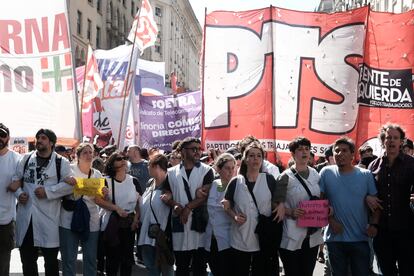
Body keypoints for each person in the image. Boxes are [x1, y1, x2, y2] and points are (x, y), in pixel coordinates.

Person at [14, 129, 74, 276]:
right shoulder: (26, 158)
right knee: (27, 260)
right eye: (37, 138)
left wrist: (48, 192)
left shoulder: (61, 162)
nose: (39, 140)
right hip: (27, 217)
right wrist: (19, 194)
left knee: (51, 262)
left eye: (43, 138)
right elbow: (15, 180)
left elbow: (70, 185)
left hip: (48, 218)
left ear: (51, 142)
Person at [222, 141, 286, 276]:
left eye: (259, 156)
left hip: (263, 238)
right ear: (245, 159)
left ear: (262, 160)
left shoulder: (269, 180)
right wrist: (233, 215)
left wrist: (281, 205)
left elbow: (277, 200)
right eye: (251, 155)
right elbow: (226, 203)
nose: (255, 158)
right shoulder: (236, 181)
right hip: (240, 237)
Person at [319, 137, 377, 276]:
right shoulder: (326, 173)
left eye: (344, 150)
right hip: (334, 240)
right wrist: (331, 221)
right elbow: (319, 202)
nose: (340, 154)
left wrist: (374, 225)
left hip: (360, 239)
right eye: (336, 151)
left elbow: (377, 204)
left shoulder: (366, 175)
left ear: (353, 154)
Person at [162, 137, 215, 276]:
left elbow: (205, 195)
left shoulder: (207, 171)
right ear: (182, 152)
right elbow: (166, 194)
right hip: (180, 222)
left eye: (199, 149)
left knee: (200, 266)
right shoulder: (172, 172)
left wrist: (188, 208)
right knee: (181, 266)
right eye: (194, 149)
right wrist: (173, 204)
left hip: (199, 222)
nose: (197, 152)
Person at [367, 123, 414, 276]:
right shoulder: (373, 166)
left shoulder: (411, 164)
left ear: (401, 142)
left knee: (407, 270)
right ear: (383, 141)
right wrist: (367, 197)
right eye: (388, 138)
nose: (392, 141)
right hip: (382, 230)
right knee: (387, 271)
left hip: (406, 228)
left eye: (395, 138)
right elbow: (368, 192)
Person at [278, 137, 323, 276]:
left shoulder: (315, 174)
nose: (304, 152)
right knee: (293, 272)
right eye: (299, 149)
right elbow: (275, 204)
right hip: (292, 234)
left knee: (307, 272)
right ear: (292, 153)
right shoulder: (285, 176)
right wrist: (290, 211)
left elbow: (321, 197)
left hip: (312, 234)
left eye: (307, 149)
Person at [59, 143, 104, 276]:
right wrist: (66, 180)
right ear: (77, 156)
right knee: (68, 259)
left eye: (91, 152)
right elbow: (59, 188)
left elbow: (99, 198)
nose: (89, 155)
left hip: (91, 220)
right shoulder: (68, 170)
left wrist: (104, 192)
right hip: (68, 218)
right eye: (85, 152)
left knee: (90, 258)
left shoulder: (97, 174)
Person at [100, 152, 141, 276]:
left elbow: (140, 203)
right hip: (112, 224)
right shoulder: (105, 181)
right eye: (119, 159)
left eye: (125, 158)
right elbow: (98, 201)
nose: (123, 160)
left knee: (127, 260)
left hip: (129, 224)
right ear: (112, 164)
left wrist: (136, 220)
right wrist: (115, 207)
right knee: (112, 259)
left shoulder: (134, 181)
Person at [138, 154, 173, 276]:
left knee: (165, 265)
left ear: (156, 166)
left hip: (163, 234)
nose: (147, 168)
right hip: (147, 232)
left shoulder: (170, 183)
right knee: (150, 264)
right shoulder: (149, 183)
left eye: (149, 165)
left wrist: (170, 198)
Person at [204, 153, 235, 276]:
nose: (231, 171)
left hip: (229, 237)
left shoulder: (237, 184)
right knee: (215, 268)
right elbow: (211, 207)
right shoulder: (215, 184)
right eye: (227, 168)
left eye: (233, 168)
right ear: (219, 169)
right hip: (212, 236)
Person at [0, 123, 21, 276]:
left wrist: (19, 183)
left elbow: (26, 179)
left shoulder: (16, 159)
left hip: (6, 220)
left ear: (8, 137)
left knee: (3, 264)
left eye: (2, 134)